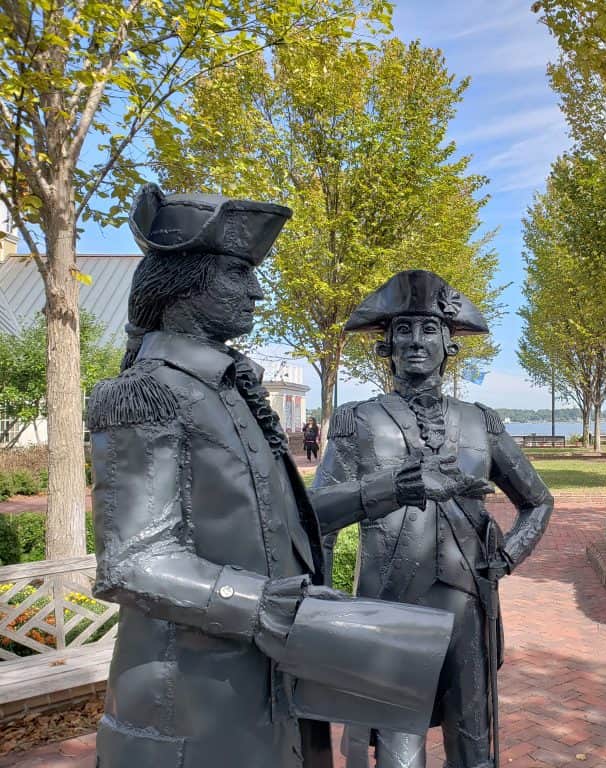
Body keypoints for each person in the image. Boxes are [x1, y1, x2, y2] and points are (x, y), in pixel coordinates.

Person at [89, 186, 453, 768]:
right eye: (238, 273)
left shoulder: (226, 392)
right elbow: (132, 564)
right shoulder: (147, 392)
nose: (256, 289)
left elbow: (278, 523)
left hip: (274, 683)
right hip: (195, 707)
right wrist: (269, 606)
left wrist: (395, 488)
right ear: (185, 286)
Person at [312, 269, 554, 768]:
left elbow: (538, 500)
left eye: (428, 330)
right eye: (403, 330)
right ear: (386, 345)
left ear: (449, 343)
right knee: (400, 752)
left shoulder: (480, 420)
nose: (415, 342)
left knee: (474, 748)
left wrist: (507, 556)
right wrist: (325, 599)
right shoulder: (357, 419)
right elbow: (318, 514)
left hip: (468, 608)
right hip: (389, 609)